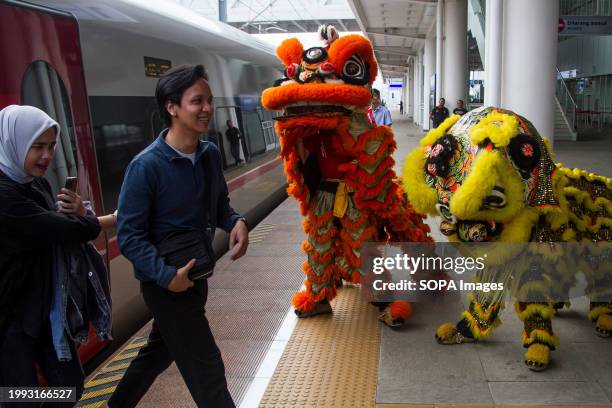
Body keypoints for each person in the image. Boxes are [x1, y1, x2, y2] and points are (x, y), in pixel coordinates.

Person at [109, 64, 248, 408]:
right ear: (172, 107)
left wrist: (237, 222)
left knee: (158, 352)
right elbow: (129, 235)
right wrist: (166, 277)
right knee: (207, 367)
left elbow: (219, 208)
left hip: (197, 275)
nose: (206, 109)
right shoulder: (146, 167)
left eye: (209, 101)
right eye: (196, 101)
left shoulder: (209, 154)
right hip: (165, 285)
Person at [0, 105, 110, 405]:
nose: (47, 156)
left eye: (51, 146)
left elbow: (62, 225)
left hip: (45, 309)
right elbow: (69, 229)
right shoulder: (5, 196)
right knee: (18, 398)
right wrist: (82, 218)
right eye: (37, 147)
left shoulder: (35, 183)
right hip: (9, 318)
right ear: (14, 143)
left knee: (70, 386)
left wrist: (75, 216)